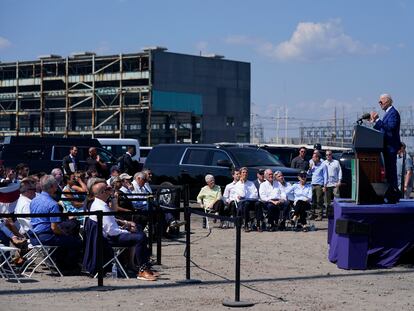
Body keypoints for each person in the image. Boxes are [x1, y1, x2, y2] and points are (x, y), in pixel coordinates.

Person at [89, 180, 157, 281]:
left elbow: (112, 216)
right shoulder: (101, 207)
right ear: (102, 193)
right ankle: (142, 271)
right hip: (110, 239)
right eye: (108, 188)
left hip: (111, 234)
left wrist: (125, 223)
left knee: (138, 229)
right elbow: (112, 232)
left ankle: (143, 267)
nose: (111, 189)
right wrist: (127, 231)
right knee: (140, 237)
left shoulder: (101, 203)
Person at [29, 175, 82, 273]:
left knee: (67, 233)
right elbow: (54, 228)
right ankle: (68, 268)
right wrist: (66, 234)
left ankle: (58, 263)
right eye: (56, 186)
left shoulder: (34, 201)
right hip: (46, 237)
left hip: (34, 236)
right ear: (53, 187)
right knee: (75, 241)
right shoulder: (53, 204)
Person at [370, 93, 401, 189]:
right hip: (386, 147)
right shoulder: (388, 113)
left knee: (391, 171)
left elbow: (390, 128)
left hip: (390, 147)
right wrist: (375, 121)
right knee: (388, 172)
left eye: (381, 101)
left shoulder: (393, 113)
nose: (379, 103)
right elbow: (383, 130)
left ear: (387, 101)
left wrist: (378, 120)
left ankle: (393, 194)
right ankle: (390, 193)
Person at [233, 167, 264, 232]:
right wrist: (243, 183)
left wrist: (247, 197)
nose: (245, 174)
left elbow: (255, 195)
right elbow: (242, 195)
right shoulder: (238, 184)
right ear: (240, 174)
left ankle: (258, 224)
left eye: (246, 172)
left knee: (258, 203)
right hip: (242, 203)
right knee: (246, 203)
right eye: (243, 172)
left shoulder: (251, 183)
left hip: (251, 201)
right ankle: (246, 224)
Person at [308, 152, 328, 220]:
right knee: (312, 200)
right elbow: (309, 174)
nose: (312, 158)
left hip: (319, 185)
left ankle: (320, 215)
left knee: (319, 200)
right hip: (312, 184)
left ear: (317, 158)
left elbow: (325, 176)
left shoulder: (323, 165)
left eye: (313, 157)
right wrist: (310, 168)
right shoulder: (313, 165)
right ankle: (312, 214)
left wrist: (324, 186)